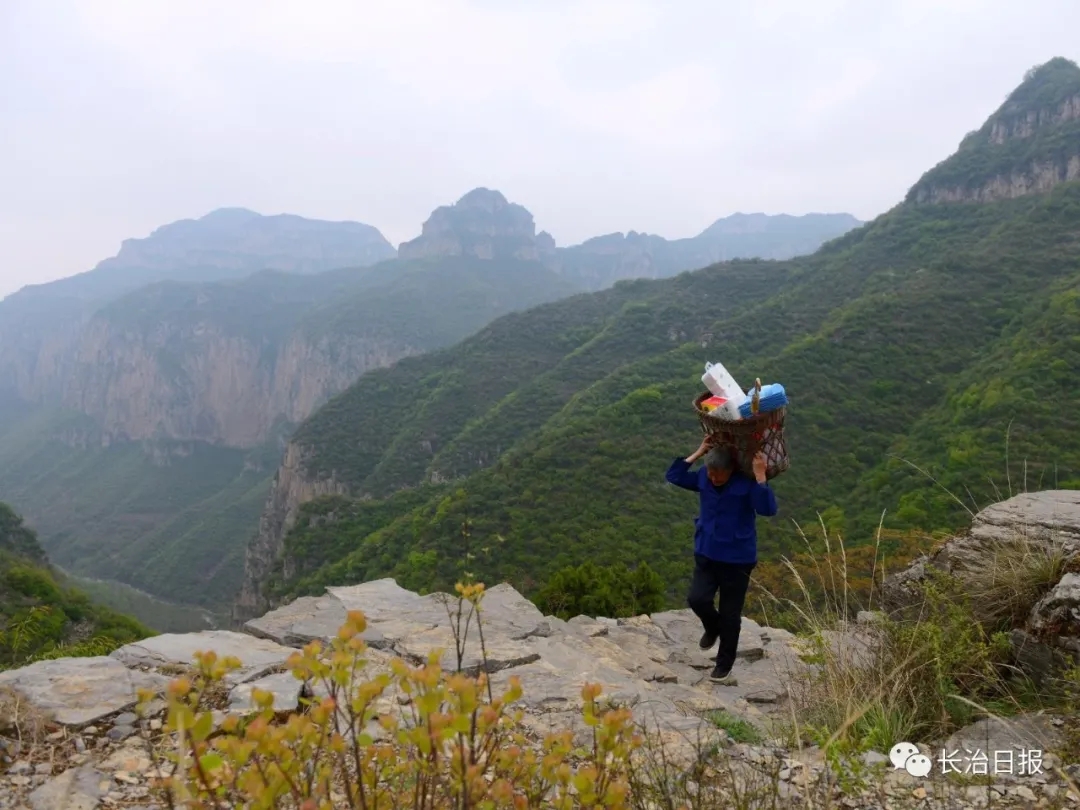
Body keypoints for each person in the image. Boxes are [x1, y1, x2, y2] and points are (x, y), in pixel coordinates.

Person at [665, 437, 777, 682]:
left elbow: (768, 509)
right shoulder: (703, 477)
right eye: (711, 473)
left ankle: (724, 665)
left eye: (719, 475)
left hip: (737, 559)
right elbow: (674, 476)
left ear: (732, 470)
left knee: (730, 614)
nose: (714, 478)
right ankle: (712, 627)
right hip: (706, 551)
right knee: (697, 599)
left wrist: (760, 476)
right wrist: (698, 452)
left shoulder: (746, 484)